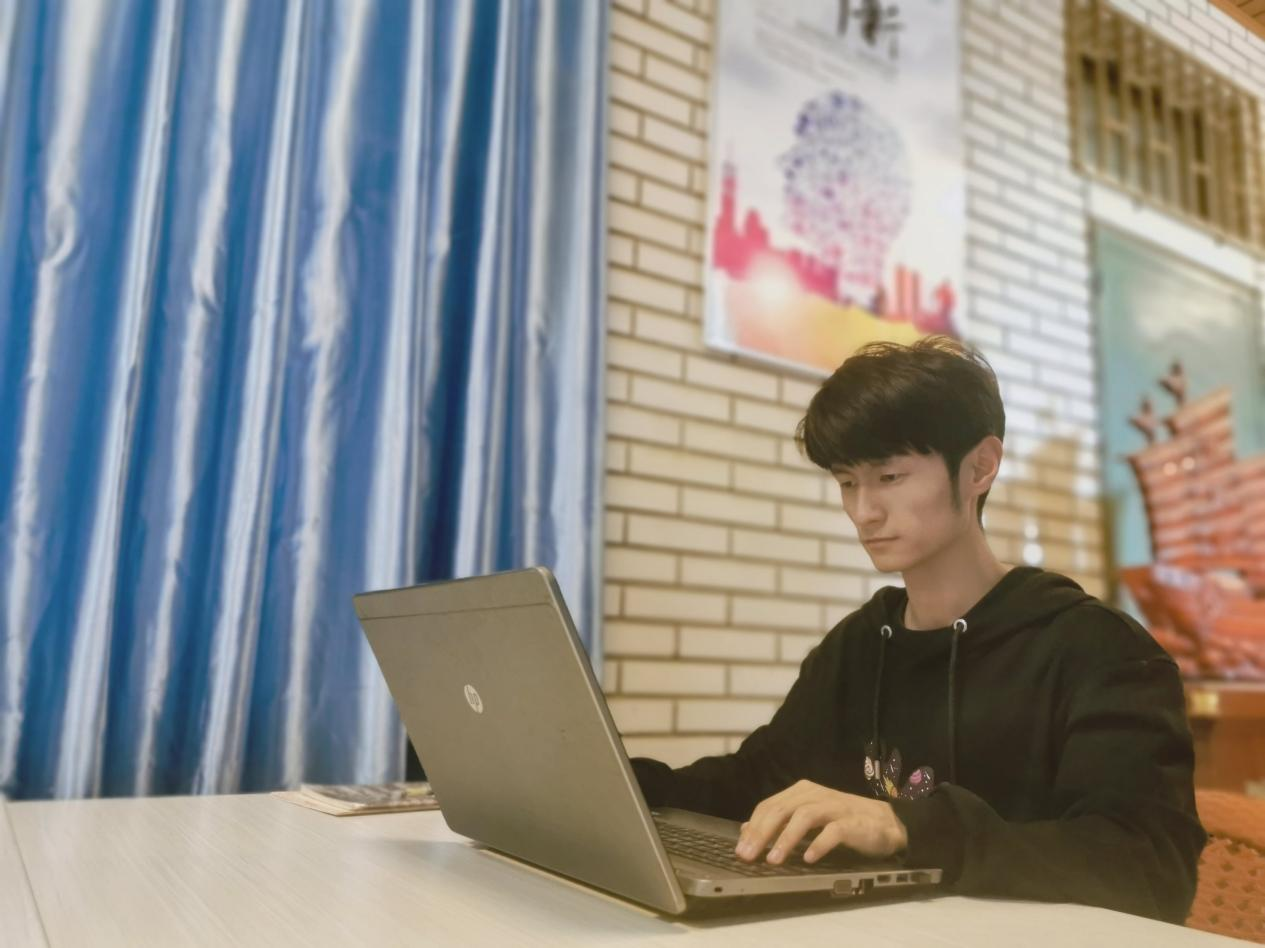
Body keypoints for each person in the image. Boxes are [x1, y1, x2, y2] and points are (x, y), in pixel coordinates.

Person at [629, 336, 1206, 924]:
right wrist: (622, 787)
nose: (864, 511)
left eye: (890, 476)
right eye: (847, 482)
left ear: (980, 467)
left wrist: (909, 827)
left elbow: (1151, 870)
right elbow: (758, 779)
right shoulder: (858, 645)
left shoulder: (1098, 651)